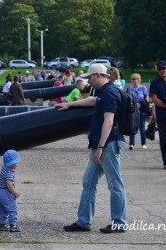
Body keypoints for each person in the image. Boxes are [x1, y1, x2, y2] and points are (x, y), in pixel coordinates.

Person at [56, 63, 127, 233]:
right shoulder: (103, 92)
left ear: (96, 75)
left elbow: (109, 122)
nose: (88, 81)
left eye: (89, 78)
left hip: (108, 144)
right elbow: (94, 101)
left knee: (115, 184)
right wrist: (70, 104)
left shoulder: (109, 92)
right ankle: (84, 221)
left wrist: (100, 147)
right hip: (100, 144)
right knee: (89, 181)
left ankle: (120, 223)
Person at [0, 149, 21, 232]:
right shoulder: (10, 172)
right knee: (13, 210)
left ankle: (2, 225)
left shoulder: (4, 169)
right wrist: (15, 192)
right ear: (12, 164)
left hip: (1, 193)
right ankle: (13, 225)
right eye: (16, 163)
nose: (17, 165)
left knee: (3, 210)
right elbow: (9, 184)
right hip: (7, 194)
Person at [128, 73, 149, 150]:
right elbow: (128, 98)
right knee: (132, 126)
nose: (133, 81)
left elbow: (146, 98)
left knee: (142, 127)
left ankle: (143, 143)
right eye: (132, 79)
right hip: (133, 109)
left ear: (138, 80)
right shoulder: (130, 89)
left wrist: (141, 104)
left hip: (142, 109)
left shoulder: (143, 88)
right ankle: (131, 143)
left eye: (134, 79)